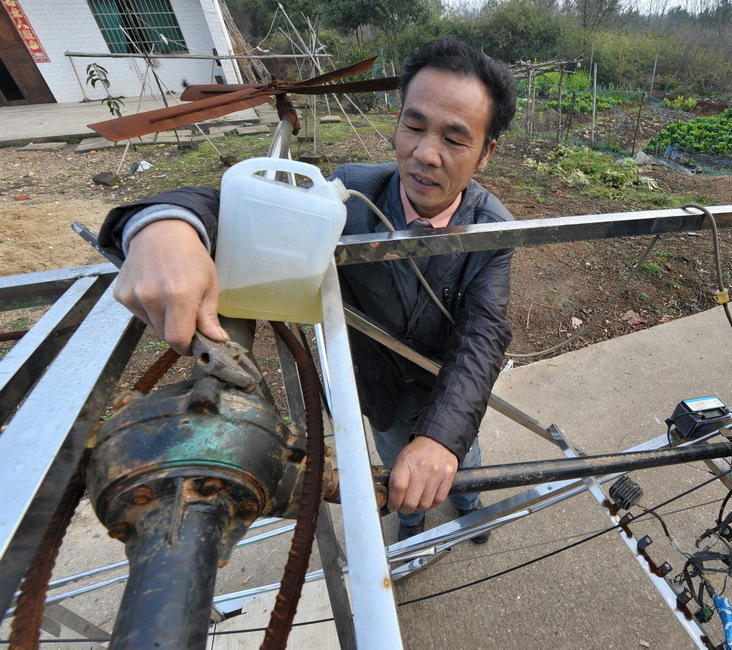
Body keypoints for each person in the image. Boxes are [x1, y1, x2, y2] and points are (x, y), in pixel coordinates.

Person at [98, 38, 517, 543]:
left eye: (454, 139)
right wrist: (167, 226)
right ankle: (409, 522)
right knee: (394, 461)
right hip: (378, 388)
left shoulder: (494, 228)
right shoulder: (351, 191)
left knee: (458, 461)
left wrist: (441, 440)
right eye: (414, 125)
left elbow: (483, 334)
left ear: (485, 153)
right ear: (397, 121)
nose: (425, 154)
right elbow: (253, 202)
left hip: (444, 388)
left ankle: (468, 505)